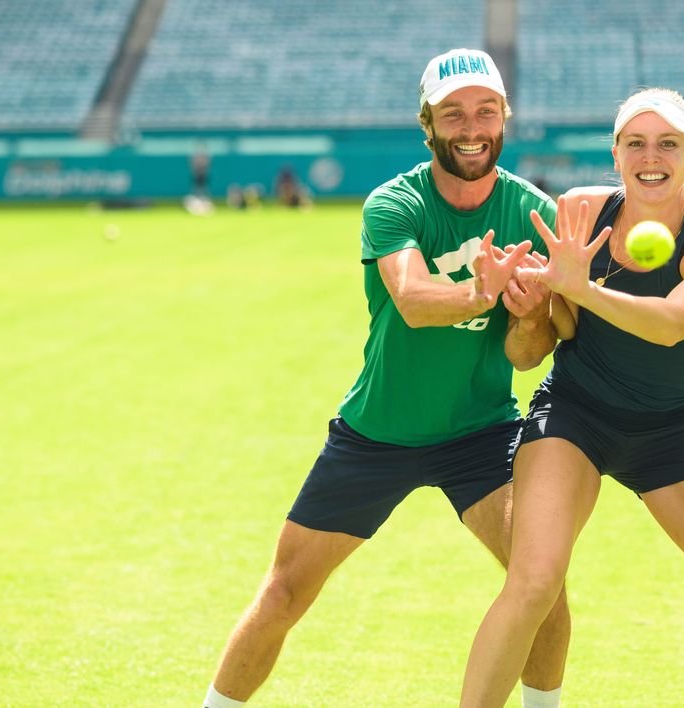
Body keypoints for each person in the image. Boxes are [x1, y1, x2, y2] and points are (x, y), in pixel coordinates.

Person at [203, 48, 571, 708]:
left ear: (505, 119)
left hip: (481, 433)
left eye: (486, 111)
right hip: (377, 432)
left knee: (542, 587)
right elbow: (413, 298)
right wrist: (482, 294)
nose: (471, 127)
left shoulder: (533, 211)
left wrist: (527, 313)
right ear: (427, 123)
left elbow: (525, 354)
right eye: (453, 113)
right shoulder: (394, 202)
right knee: (285, 592)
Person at [459, 88, 684, 707]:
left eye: (668, 143)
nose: (652, 156)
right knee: (533, 583)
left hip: (673, 432)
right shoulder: (581, 209)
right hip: (575, 416)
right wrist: (529, 306)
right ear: (616, 154)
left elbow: (674, 322)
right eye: (636, 143)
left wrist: (579, 288)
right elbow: (540, 344)